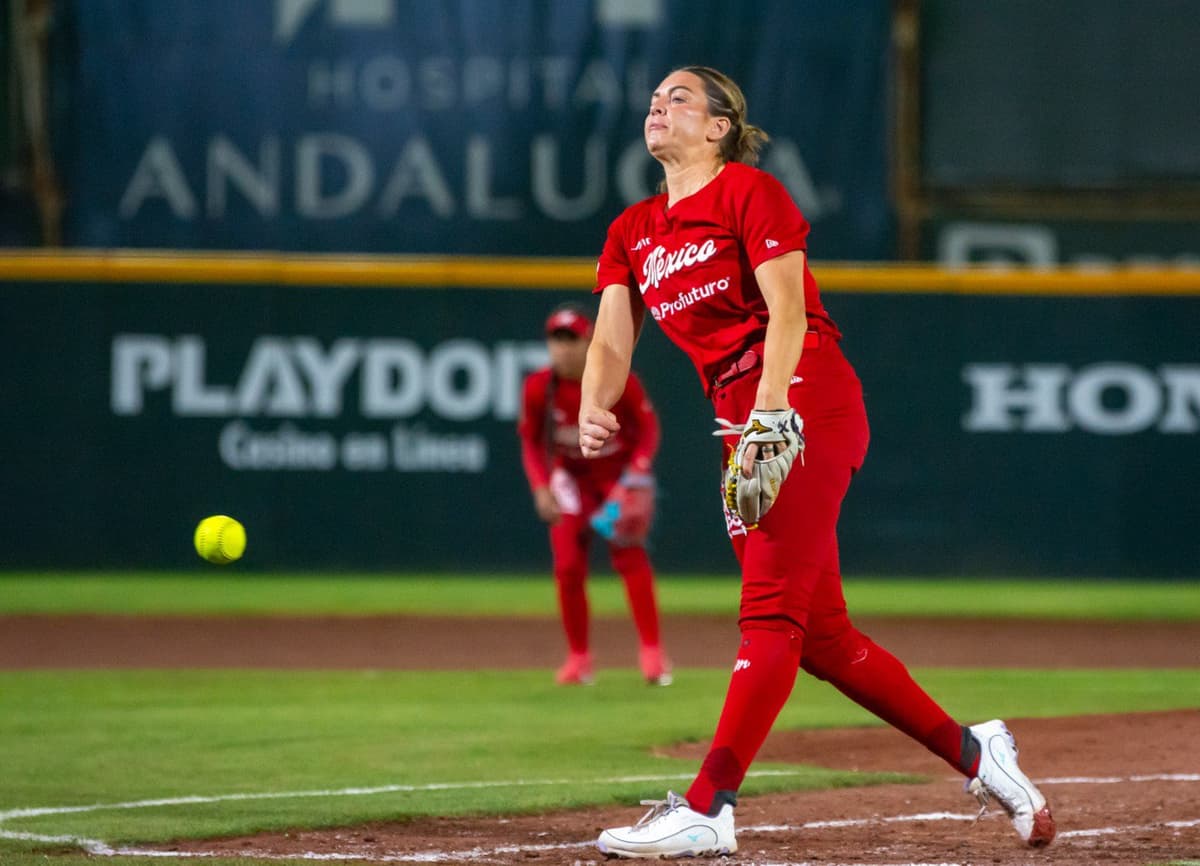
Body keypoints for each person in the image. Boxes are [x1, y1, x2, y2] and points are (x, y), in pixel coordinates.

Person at [580, 66, 1056, 858]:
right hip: (741, 419)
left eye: (679, 99)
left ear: (719, 126)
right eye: (654, 100)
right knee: (823, 638)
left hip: (802, 396)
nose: (658, 108)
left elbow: (789, 312)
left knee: (769, 612)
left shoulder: (749, 195)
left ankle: (708, 806)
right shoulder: (634, 229)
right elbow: (608, 339)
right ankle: (980, 756)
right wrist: (597, 402)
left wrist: (771, 412)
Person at [518, 302, 672, 687]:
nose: (563, 348)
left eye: (572, 339)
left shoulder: (616, 380)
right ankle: (579, 659)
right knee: (568, 567)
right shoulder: (539, 387)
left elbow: (648, 429)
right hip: (570, 479)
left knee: (630, 559)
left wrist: (636, 476)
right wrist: (540, 486)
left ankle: (652, 653)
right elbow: (531, 441)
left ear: (590, 342)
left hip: (615, 477)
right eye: (557, 340)